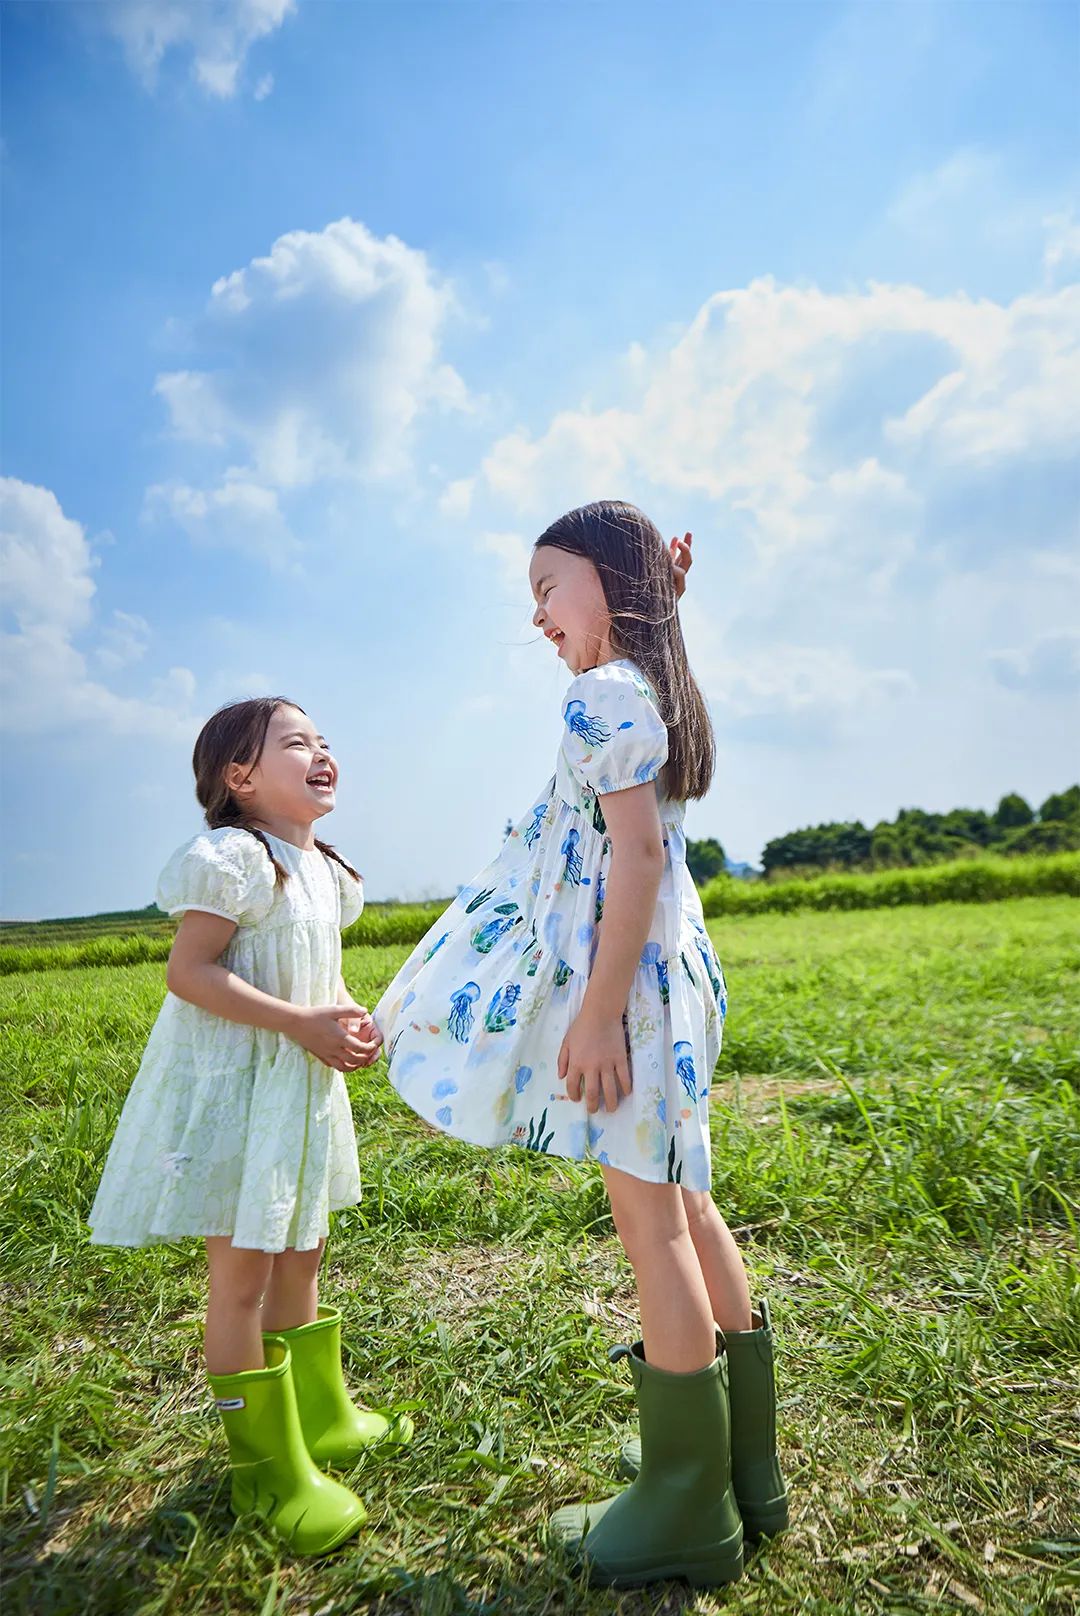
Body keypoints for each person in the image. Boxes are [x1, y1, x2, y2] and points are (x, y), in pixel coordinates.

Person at [374, 502, 788, 1589]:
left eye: (549, 584)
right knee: (688, 1204)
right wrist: (662, 598)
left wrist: (597, 1013)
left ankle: (686, 1499)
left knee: (650, 1224)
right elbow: (643, 839)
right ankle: (744, 1467)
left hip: (633, 986)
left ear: (608, 583)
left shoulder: (605, 692)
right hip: (670, 973)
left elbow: (633, 860)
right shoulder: (650, 685)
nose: (537, 611)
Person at [89, 696, 408, 1555]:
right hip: (243, 1092)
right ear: (241, 777)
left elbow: (320, 975)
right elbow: (189, 973)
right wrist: (298, 1024)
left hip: (298, 1088)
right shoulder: (235, 859)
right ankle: (267, 1471)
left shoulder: (326, 870)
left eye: (325, 740)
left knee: (303, 1248)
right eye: (297, 742)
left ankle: (319, 1415)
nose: (322, 752)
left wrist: (342, 1014)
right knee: (240, 1277)